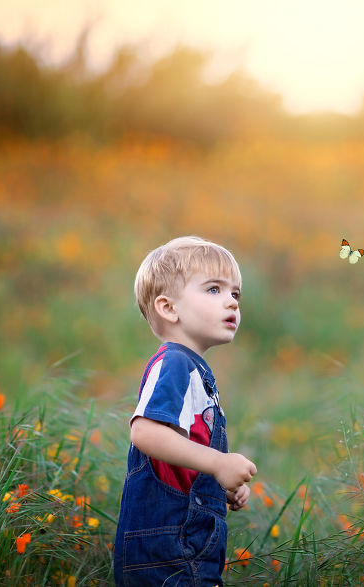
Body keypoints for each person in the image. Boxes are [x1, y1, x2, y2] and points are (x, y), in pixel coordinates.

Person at [113, 236, 257, 586]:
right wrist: (218, 463)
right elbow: (146, 432)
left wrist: (214, 483)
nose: (232, 302)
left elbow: (175, 456)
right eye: (213, 290)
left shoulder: (193, 368)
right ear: (169, 308)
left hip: (183, 546)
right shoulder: (176, 363)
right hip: (167, 551)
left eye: (235, 293)